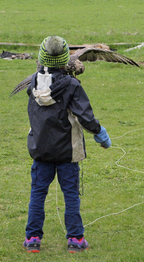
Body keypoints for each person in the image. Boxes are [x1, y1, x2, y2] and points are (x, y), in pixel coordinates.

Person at [23, 36, 111, 253]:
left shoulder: (33, 83)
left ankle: (32, 240)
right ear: (65, 60)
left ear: (42, 57)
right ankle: (76, 240)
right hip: (67, 153)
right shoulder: (72, 85)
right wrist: (101, 135)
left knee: (37, 194)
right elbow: (85, 116)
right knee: (70, 195)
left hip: (40, 150)